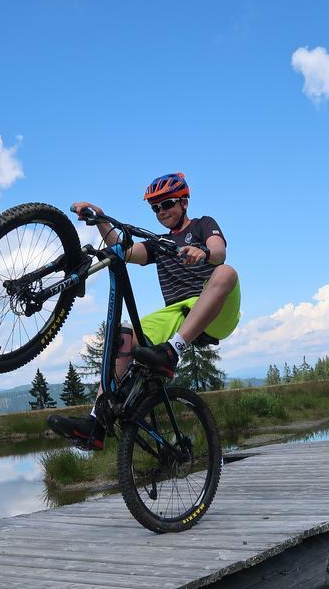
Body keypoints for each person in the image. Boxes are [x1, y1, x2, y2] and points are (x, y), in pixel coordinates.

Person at [48, 172, 241, 450]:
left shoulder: (202, 225)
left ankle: (173, 349)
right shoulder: (158, 244)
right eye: (156, 208)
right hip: (177, 314)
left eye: (168, 204)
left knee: (226, 272)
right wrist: (101, 219)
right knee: (124, 333)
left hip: (216, 309)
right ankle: (96, 423)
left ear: (184, 203)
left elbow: (219, 251)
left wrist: (204, 254)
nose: (161, 211)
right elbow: (123, 250)